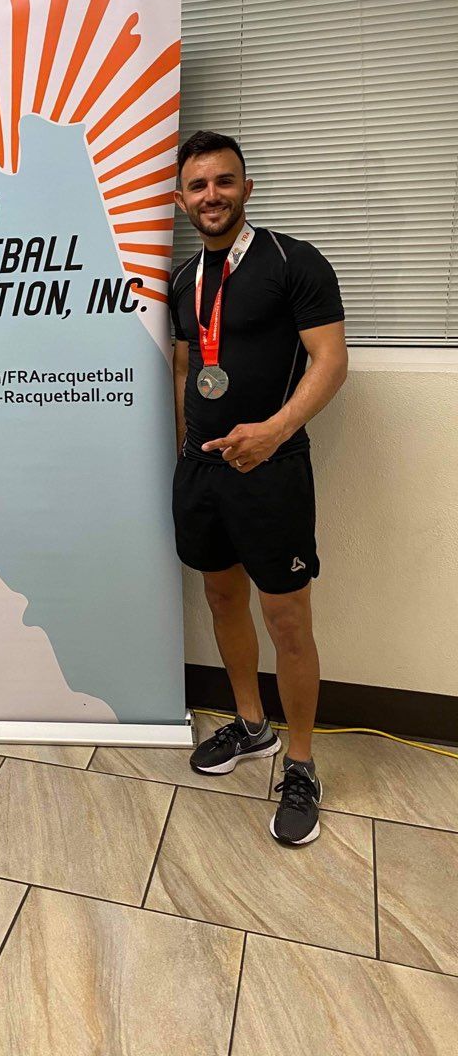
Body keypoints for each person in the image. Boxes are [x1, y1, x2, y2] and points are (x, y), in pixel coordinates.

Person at [169, 132, 347, 848]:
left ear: (245, 188)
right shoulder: (183, 280)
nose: (211, 195)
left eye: (223, 181)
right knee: (221, 597)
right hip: (203, 471)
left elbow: (330, 361)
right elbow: (187, 369)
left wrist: (274, 431)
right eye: (198, 185)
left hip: (272, 470)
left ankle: (300, 763)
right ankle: (251, 726)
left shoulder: (293, 262)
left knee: (288, 619)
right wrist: (185, 448)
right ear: (181, 199)